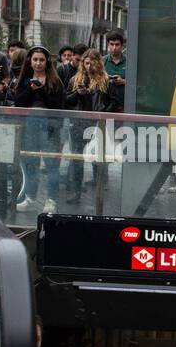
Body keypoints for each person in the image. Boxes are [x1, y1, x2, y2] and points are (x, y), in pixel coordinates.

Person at [12, 46, 68, 213]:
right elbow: (18, 103)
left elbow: (57, 106)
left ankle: (51, 200)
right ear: (30, 61)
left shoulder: (55, 81)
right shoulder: (24, 79)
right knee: (30, 163)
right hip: (30, 127)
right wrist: (30, 89)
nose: (38, 63)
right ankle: (30, 197)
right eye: (35, 59)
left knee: (51, 164)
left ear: (47, 61)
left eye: (41, 60)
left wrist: (41, 90)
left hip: (50, 128)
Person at [62, 49, 114, 203]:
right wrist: (78, 93)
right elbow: (66, 101)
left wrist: (103, 113)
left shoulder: (106, 80)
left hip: (98, 124)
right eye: (86, 63)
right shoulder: (75, 79)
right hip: (78, 123)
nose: (89, 66)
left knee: (98, 159)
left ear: (98, 63)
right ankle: (76, 192)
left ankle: (99, 193)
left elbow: (113, 102)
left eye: (92, 63)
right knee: (77, 158)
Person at [104, 31, 127, 112]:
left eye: (117, 44)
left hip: (125, 106)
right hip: (106, 107)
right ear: (108, 44)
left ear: (122, 46)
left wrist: (123, 82)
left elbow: (139, 83)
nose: (114, 48)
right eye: (112, 44)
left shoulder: (129, 61)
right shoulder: (102, 61)